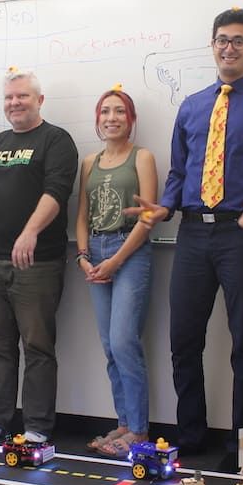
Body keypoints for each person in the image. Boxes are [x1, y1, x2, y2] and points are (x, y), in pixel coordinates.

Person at [133, 7, 243, 462]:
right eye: (222, 40)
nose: (229, 47)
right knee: (183, 340)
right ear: (213, 45)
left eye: (238, 41)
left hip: (242, 235)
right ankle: (191, 434)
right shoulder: (191, 106)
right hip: (191, 234)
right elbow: (179, 173)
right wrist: (165, 205)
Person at [0, 68, 79, 445]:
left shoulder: (56, 140)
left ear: (39, 100)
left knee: (37, 347)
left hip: (37, 262)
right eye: (9, 98)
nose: (15, 103)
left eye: (22, 97)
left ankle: (36, 426)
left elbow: (57, 190)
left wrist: (30, 232)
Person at [74, 85, 158, 457]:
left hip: (130, 252)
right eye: (105, 111)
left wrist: (116, 260)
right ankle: (123, 422)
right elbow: (80, 214)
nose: (112, 118)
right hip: (95, 252)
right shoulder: (89, 163)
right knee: (110, 346)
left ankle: (139, 431)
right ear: (97, 119)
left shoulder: (143, 157)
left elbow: (148, 217)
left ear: (131, 119)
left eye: (120, 111)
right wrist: (83, 256)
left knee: (125, 341)